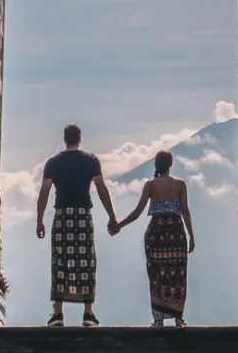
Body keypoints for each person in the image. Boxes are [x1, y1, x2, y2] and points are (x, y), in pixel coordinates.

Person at [36, 124, 118, 328]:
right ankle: (88, 314)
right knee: (86, 261)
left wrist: (39, 220)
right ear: (79, 139)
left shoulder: (53, 162)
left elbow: (44, 193)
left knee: (60, 261)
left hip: (62, 215)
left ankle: (57, 313)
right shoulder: (90, 161)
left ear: (65, 139)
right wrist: (112, 216)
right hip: (82, 215)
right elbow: (101, 189)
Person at [113, 150, 194, 327]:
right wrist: (191, 235)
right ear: (170, 165)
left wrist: (119, 225)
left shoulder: (150, 185)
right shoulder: (180, 185)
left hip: (156, 232)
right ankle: (178, 318)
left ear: (156, 165)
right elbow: (185, 210)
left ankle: (158, 319)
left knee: (156, 274)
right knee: (178, 275)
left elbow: (137, 212)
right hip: (176, 232)